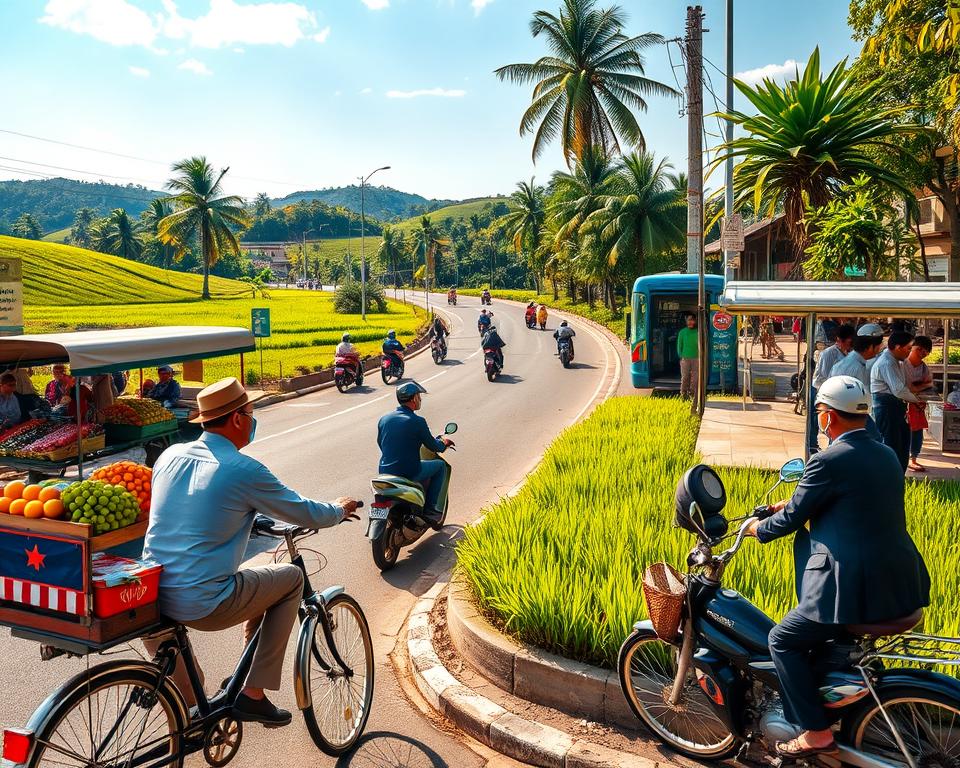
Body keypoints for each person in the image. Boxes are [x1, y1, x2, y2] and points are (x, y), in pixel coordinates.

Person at [142, 377, 359, 724]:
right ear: (238, 419)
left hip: (151, 595)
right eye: (251, 412)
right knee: (288, 578)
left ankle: (198, 724)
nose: (253, 420)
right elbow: (305, 512)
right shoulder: (242, 469)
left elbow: (192, 511)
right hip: (201, 603)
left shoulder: (170, 456)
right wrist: (339, 508)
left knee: (192, 713)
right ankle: (252, 694)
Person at [746, 375, 930, 759]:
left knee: (781, 640)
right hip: (900, 581)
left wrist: (756, 528)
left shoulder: (827, 460)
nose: (818, 421)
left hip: (852, 590)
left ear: (828, 417)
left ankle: (815, 733)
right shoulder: (884, 454)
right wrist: (796, 501)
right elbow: (855, 505)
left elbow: (790, 521)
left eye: (818, 414)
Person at [377, 381, 454, 522]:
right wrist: (444, 444)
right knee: (440, 466)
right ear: (413, 399)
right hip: (409, 471)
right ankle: (431, 510)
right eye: (419, 396)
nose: (420, 399)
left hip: (384, 471)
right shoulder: (417, 421)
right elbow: (432, 445)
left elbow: (381, 443)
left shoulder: (384, 419)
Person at [870, 331, 920, 473]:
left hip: (896, 407)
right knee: (891, 445)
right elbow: (899, 390)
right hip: (886, 407)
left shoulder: (897, 361)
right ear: (898, 347)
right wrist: (916, 400)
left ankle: (898, 475)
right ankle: (889, 476)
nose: (910, 352)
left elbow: (903, 386)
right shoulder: (886, 362)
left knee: (902, 444)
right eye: (908, 348)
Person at [809, 325, 855, 453]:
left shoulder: (850, 354)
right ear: (839, 340)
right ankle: (812, 446)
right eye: (849, 342)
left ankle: (833, 448)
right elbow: (823, 377)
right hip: (821, 391)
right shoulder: (828, 354)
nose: (851, 345)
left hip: (839, 394)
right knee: (817, 422)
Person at [831, 332, 884, 441]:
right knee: (875, 440)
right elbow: (862, 393)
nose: (878, 351)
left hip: (842, 408)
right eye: (877, 348)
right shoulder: (857, 366)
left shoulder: (850, 361)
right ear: (869, 348)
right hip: (850, 410)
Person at [903, 335, 934, 473]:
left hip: (918, 405)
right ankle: (902, 457)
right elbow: (906, 387)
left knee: (917, 432)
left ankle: (913, 459)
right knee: (902, 432)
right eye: (919, 349)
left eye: (925, 352)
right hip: (902, 403)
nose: (922, 353)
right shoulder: (902, 364)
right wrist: (919, 386)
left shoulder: (924, 368)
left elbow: (929, 384)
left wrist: (918, 388)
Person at [676, 313, 699, 402]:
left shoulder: (698, 332)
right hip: (685, 359)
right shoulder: (682, 332)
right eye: (689, 320)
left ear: (695, 321)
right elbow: (679, 346)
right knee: (685, 377)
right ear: (686, 321)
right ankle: (683, 394)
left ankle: (692, 395)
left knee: (695, 378)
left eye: (692, 320)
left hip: (696, 358)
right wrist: (681, 356)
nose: (690, 322)